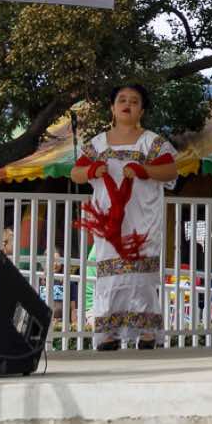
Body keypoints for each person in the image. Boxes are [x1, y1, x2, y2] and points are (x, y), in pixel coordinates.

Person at [71, 83, 180, 352]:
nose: (127, 104)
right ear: (112, 107)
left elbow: (170, 171)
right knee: (110, 275)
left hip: (143, 218)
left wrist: (145, 170)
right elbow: (75, 173)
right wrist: (92, 171)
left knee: (141, 275)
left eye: (134, 101)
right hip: (109, 222)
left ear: (141, 110)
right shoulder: (97, 144)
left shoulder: (152, 142)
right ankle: (108, 334)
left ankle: (147, 332)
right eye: (122, 99)